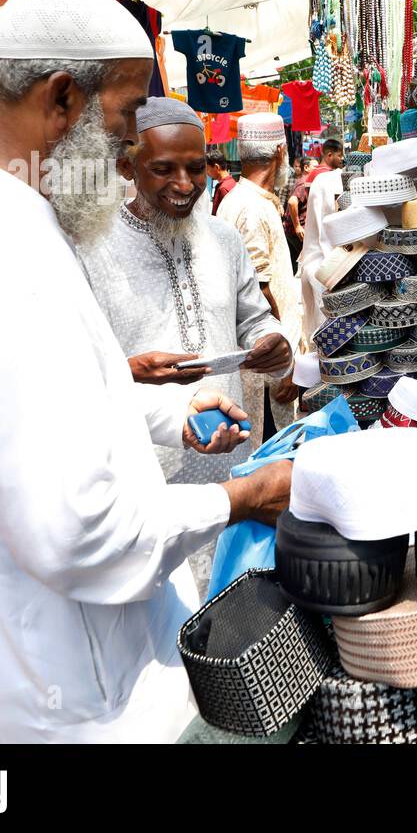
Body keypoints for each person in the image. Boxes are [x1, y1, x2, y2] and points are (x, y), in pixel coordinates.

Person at [0, 0, 293, 744]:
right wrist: (244, 496)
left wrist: (170, 414)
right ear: (62, 98)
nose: (134, 145)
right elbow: (81, 534)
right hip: (53, 701)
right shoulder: (4, 261)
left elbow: (12, 420)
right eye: (128, 115)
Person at [78, 98, 294, 593]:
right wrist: (128, 370)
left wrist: (273, 344)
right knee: (169, 603)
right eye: (162, 169)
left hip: (231, 450)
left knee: (233, 593)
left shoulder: (222, 238)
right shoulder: (92, 248)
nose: (184, 184)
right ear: (126, 166)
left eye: (196, 168)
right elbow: (76, 367)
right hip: (147, 466)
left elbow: (256, 319)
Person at [216, 114, 303, 432]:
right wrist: (287, 360)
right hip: (268, 367)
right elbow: (260, 293)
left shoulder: (241, 201)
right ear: (281, 152)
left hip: (260, 361)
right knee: (271, 456)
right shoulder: (251, 208)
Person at [297, 138, 346, 341]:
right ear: (329, 154)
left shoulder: (320, 179)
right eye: (339, 154)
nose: (342, 158)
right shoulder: (323, 179)